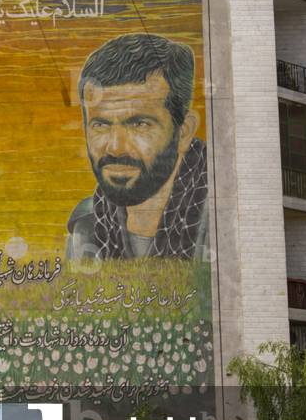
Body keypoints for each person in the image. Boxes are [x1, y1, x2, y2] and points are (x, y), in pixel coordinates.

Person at [66, 33, 208, 261]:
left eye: (139, 124)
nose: (115, 148)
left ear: (184, 131)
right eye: (100, 125)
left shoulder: (221, 218)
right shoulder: (87, 226)